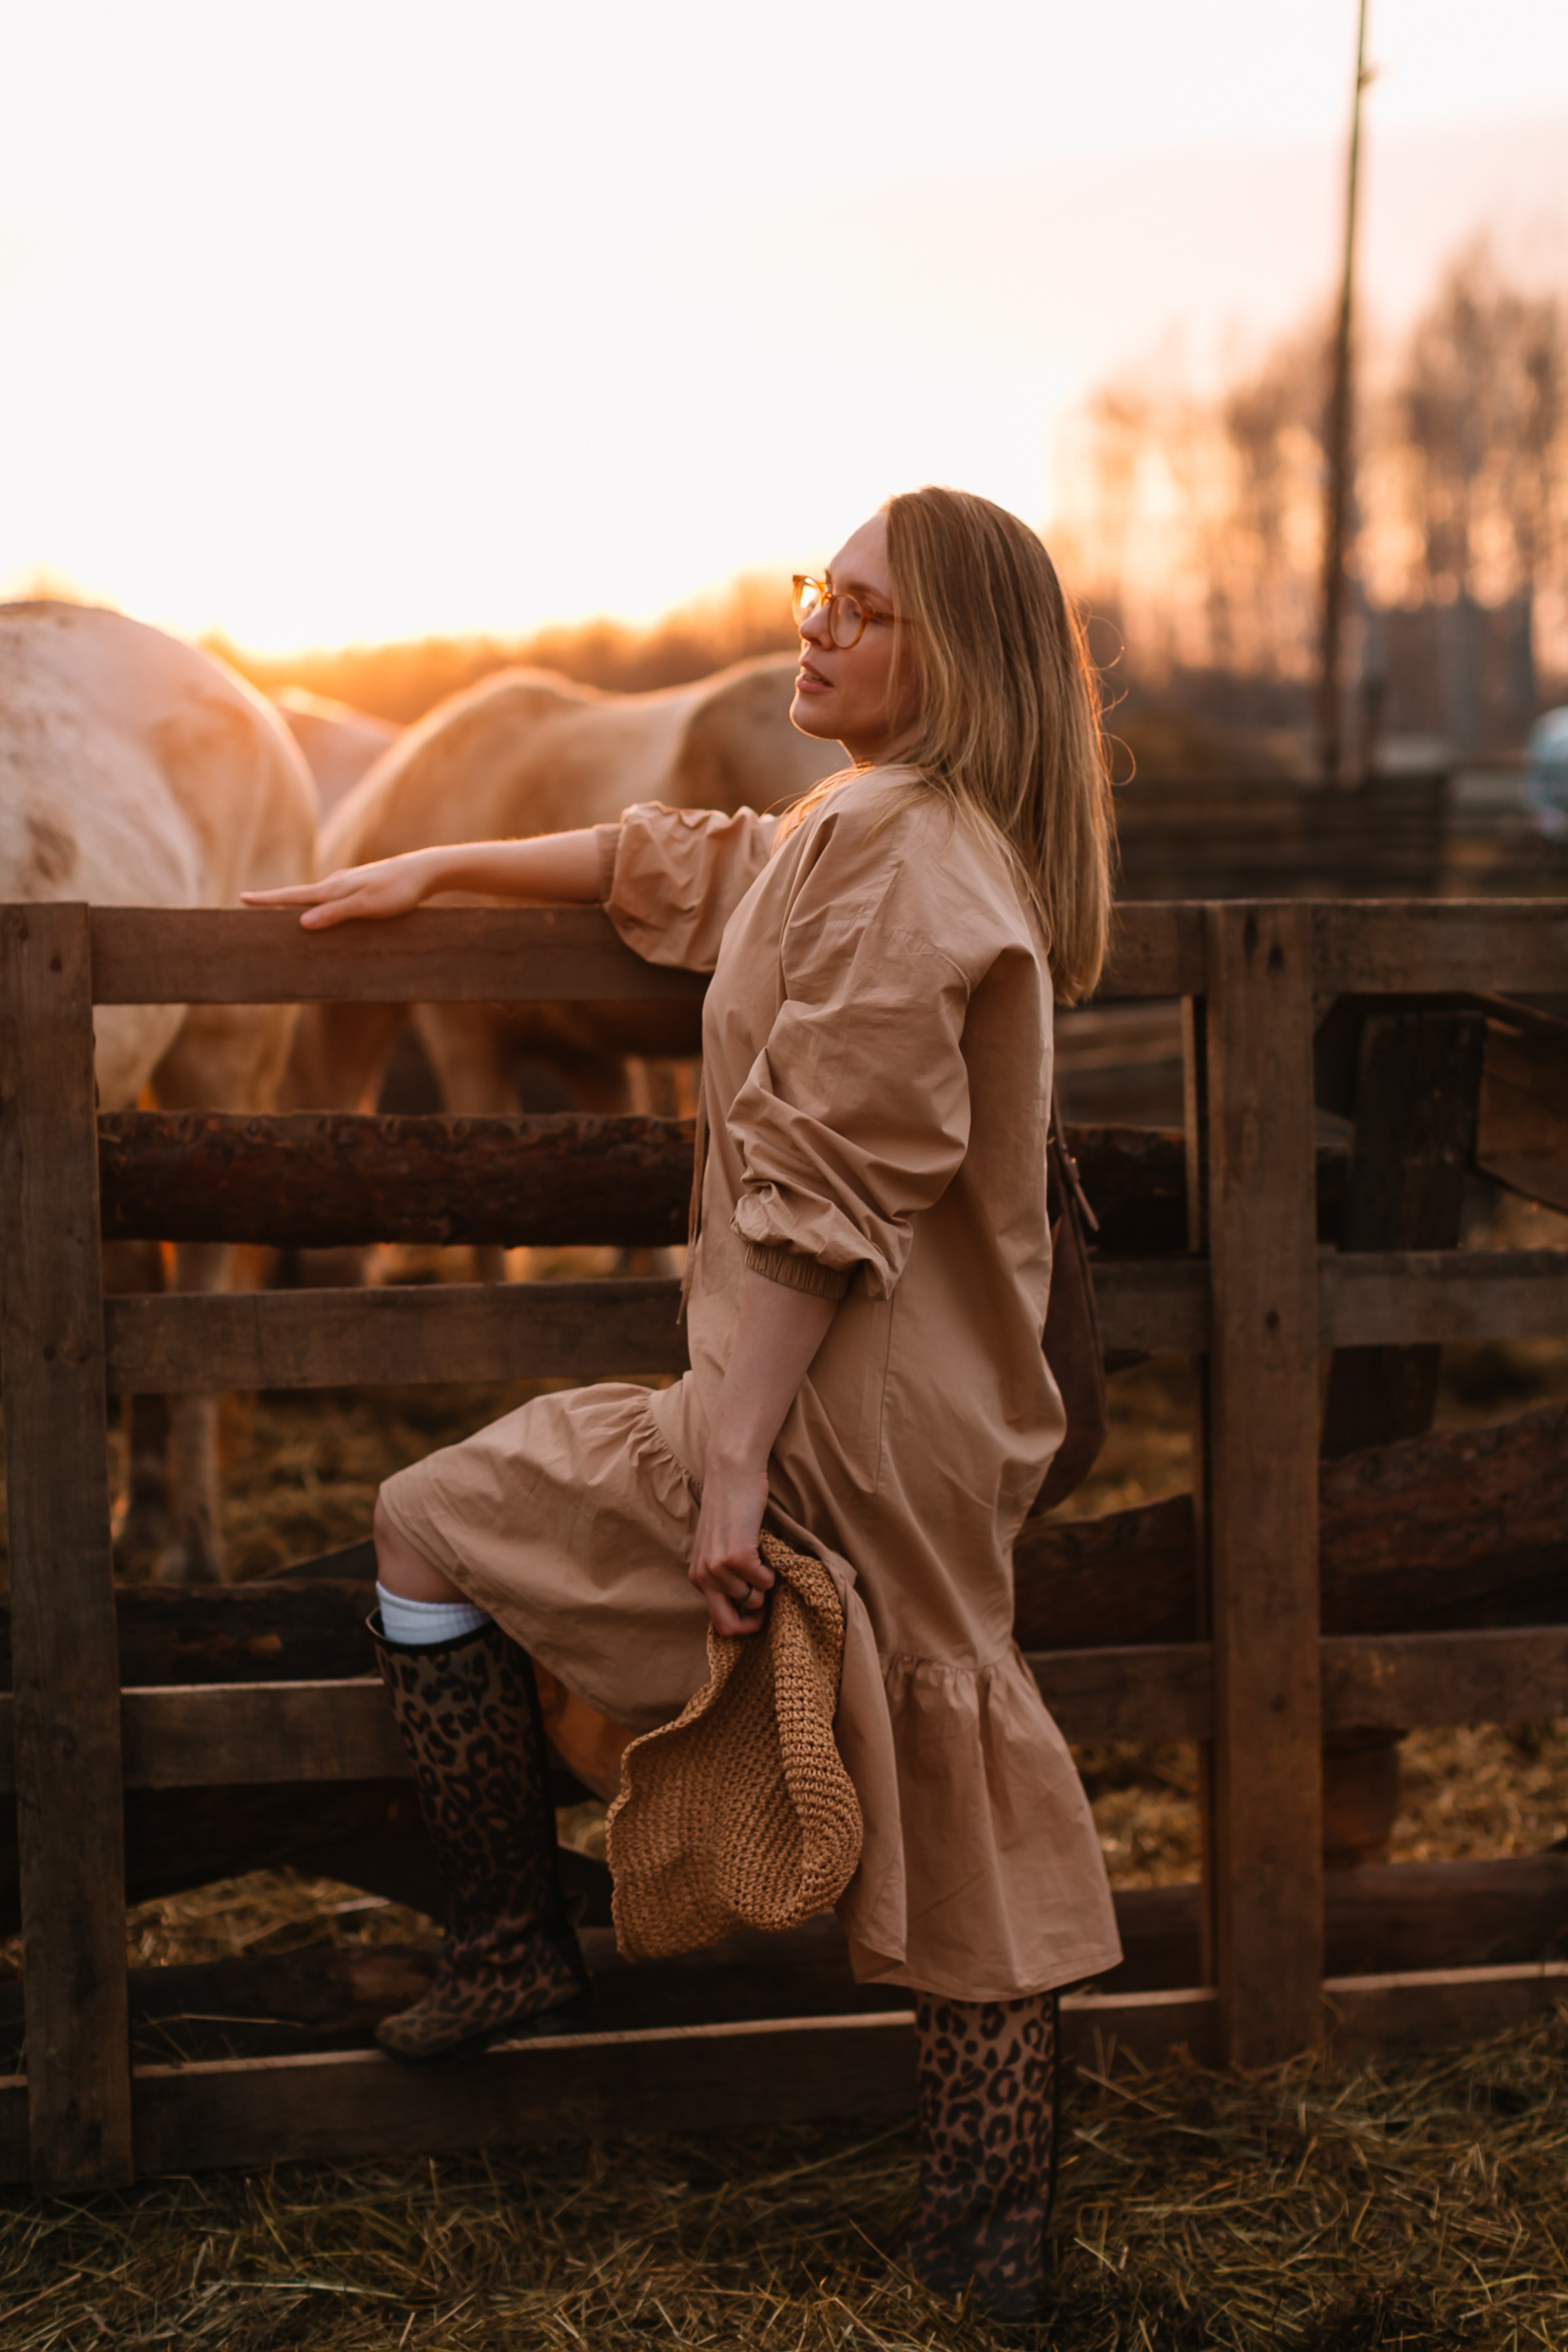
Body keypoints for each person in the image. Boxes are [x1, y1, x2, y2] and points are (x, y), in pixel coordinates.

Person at [244, 485, 1123, 2319]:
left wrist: (731, 1467)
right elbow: (702, 865)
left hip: (839, 1407)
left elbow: (833, 1180)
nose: (811, 623)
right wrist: (442, 868)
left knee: (923, 1745)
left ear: (947, 654)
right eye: (822, 588)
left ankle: (529, 1944)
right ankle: (988, 2230)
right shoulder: (870, 827)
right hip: (859, 1398)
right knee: (938, 1747)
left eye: (857, 609)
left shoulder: (906, 854)